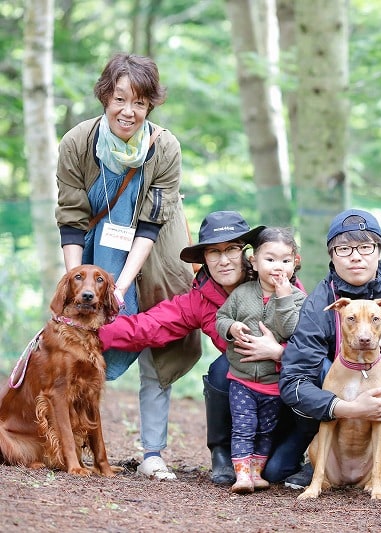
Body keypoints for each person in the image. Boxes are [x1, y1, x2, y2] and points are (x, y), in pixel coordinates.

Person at [56, 53, 200, 480]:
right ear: (106, 96)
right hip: (94, 250)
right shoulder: (77, 143)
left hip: (153, 253)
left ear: (150, 105)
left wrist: (122, 284)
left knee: (159, 335)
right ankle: (75, 442)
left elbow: (152, 224)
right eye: (120, 99)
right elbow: (70, 217)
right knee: (78, 341)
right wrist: (75, 283)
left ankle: (153, 452)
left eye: (139, 103)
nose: (128, 111)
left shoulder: (165, 147)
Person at [98, 211, 303, 485]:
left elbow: (308, 343)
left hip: (282, 387)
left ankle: (297, 445)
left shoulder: (279, 281)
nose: (224, 260)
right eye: (213, 252)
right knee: (221, 369)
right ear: (204, 259)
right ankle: (222, 451)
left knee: (277, 473)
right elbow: (149, 326)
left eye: (231, 249)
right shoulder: (201, 299)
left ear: (246, 254)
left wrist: (278, 352)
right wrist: (87, 330)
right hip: (245, 388)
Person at [279, 208, 381, 490]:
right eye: (343, 248)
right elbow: (294, 379)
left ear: (379, 250)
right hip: (338, 397)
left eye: (365, 246)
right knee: (319, 371)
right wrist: (345, 407)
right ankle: (322, 460)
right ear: (331, 255)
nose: (355, 256)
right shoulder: (319, 301)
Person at [216, 227, 306, 494]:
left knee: (265, 430)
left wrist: (284, 297)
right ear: (253, 261)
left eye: (285, 261)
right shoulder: (242, 293)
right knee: (244, 427)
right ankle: (242, 475)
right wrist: (231, 328)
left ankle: (256, 473)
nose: (278, 266)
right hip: (242, 380)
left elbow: (291, 330)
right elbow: (221, 317)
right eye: (270, 259)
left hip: (273, 383)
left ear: (295, 263)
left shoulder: (299, 300)